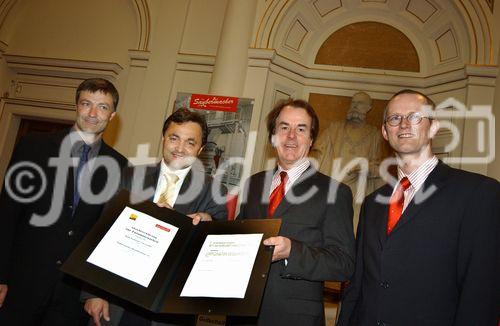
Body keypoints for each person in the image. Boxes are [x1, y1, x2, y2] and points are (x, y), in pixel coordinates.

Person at [337, 89, 499, 325]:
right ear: (385, 131)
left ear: (433, 127)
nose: (403, 124)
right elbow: (358, 285)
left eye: (414, 117)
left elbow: (482, 294)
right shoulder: (373, 203)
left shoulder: (478, 193)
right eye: (394, 118)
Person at [0, 78, 128, 325]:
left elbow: (108, 235)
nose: (93, 113)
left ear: (112, 115)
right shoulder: (33, 147)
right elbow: (7, 213)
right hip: (20, 285)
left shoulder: (120, 166)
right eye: (86, 104)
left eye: (102, 107)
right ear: (76, 107)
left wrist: (97, 291)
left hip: (71, 299)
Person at [84, 108, 228, 326]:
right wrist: (93, 293)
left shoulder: (214, 191)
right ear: (163, 138)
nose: (180, 148)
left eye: (190, 142)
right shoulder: (129, 176)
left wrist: (206, 224)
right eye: (174, 138)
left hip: (169, 308)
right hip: (117, 301)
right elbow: (101, 232)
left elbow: (218, 247)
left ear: (200, 149)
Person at [234, 99, 355, 325]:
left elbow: (344, 264)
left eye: (301, 129)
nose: (291, 136)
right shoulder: (253, 184)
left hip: (294, 318)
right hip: (242, 314)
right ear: (273, 136)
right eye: (284, 127)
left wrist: (293, 252)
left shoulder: (335, 192)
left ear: (310, 139)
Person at [312, 91, 382, 231]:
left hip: (356, 193)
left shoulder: (374, 134)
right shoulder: (334, 128)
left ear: (368, 108)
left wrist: (365, 167)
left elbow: (377, 167)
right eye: (353, 102)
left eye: (360, 103)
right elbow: (317, 153)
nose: (355, 106)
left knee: (351, 231)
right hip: (331, 188)